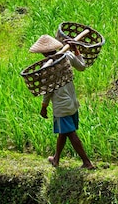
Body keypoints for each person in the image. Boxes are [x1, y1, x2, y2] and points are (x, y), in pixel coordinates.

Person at [29, 34, 95, 169]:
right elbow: (82, 66)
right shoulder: (68, 56)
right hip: (72, 101)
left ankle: (87, 162)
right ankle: (56, 158)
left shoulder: (47, 67)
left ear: (43, 53)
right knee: (63, 131)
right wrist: (75, 49)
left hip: (61, 105)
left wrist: (44, 106)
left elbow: (47, 90)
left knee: (70, 133)